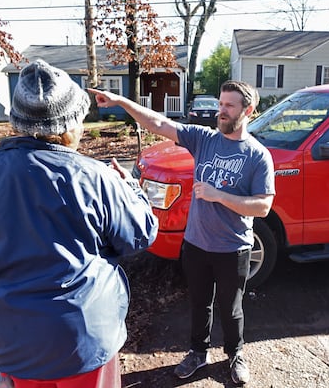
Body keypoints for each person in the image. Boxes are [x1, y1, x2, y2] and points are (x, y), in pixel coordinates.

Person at [0, 59, 158, 387]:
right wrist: (132, 189)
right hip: (82, 338)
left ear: (17, 122)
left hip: (12, 339)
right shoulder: (95, 176)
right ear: (70, 123)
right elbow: (140, 235)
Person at [89, 81, 275, 385]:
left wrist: (219, 196)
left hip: (233, 248)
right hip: (196, 245)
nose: (221, 111)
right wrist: (121, 101)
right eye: (220, 104)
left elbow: (263, 207)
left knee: (231, 308)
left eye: (229, 106)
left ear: (248, 110)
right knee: (199, 303)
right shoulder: (203, 139)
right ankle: (198, 353)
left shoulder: (257, 156)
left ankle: (235, 353)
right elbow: (160, 122)